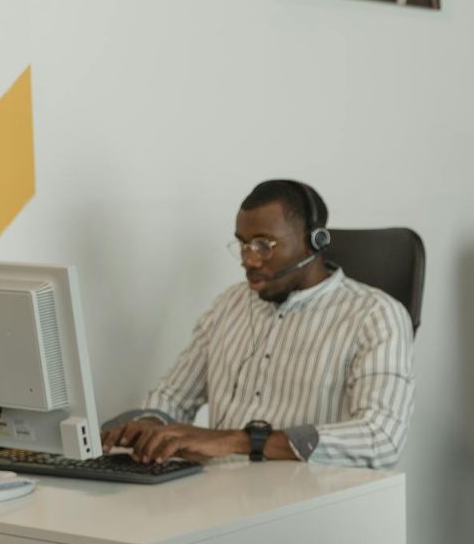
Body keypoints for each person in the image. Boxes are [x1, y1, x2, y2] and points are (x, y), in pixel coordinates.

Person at [100, 179, 415, 469]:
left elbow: (381, 439)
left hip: (309, 506)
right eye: (243, 244)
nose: (248, 260)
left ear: (313, 242)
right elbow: (172, 396)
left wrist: (238, 441)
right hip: (215, 500)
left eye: (265, 245)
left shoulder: (375, 316)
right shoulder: (229, 305)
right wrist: (152, 424)